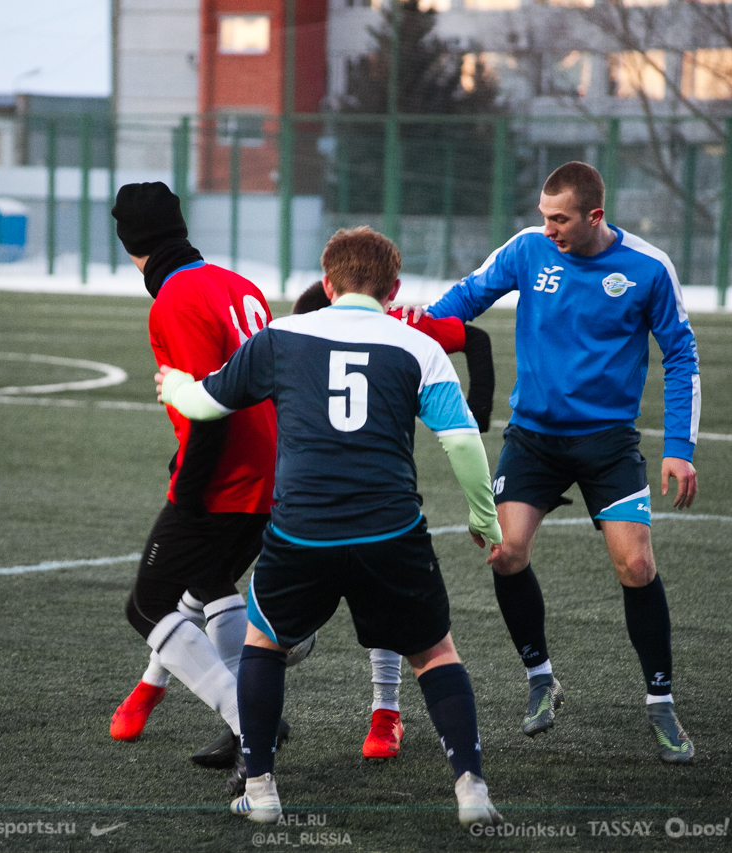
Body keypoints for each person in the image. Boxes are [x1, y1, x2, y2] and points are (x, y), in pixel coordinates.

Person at [158, 226, 504, 830]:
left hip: (301, 532)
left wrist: (178, 386)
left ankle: (261, 789)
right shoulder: (416, 345)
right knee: (434, 653)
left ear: (327, 282)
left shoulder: (281, 336)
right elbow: (461, 440)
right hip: (390, 531)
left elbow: (208, 404)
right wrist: (483, 515)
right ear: (393, 289)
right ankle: (470, 786)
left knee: (264, 645)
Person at [420, 161, 701, 763]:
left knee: (636, 565)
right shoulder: (528, 249)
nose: (548, 228)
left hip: (608, 442)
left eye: (560, 219)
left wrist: (679, 449)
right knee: (505, 552)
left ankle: (661, 703)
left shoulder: (648, 268)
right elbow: (465, 298)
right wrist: (418, 331)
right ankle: (541, 678)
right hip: (534, 439)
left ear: (595, 216)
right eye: (544, 217)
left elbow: (681, 354)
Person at [109, 182, 279, 775]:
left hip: (227, 476)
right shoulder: (240, 284)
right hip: (270, 467)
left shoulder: (175, 298)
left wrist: (186, 492)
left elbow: (210, 407)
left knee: (148, 605)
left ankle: (252, 722)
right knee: (211, 583)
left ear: (130, 242)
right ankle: (245, 726)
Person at [290, 281, 496, 760]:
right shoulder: (294, 333)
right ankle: (234, 714)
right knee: (267, 627)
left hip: (376, 493)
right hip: (312, 495)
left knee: (381, 599)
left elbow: (474, 338)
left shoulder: (397, 322)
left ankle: (385, 712)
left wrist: (479, 408)